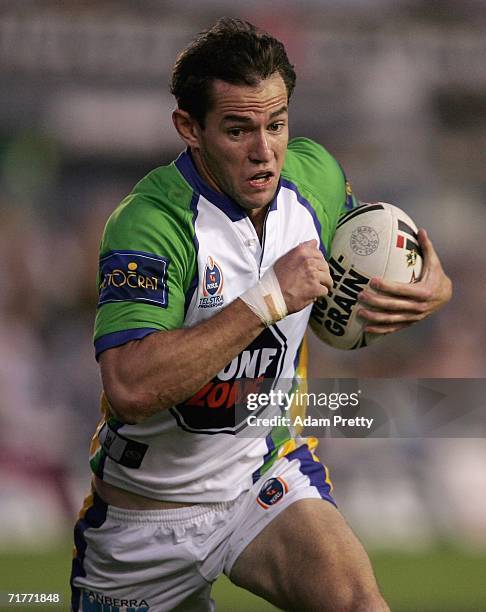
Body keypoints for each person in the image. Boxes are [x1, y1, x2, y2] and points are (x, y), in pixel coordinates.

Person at [71, 18, 452, 612]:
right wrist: (268, 298)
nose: (264, 151)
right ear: (189, 128)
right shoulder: (150, 224)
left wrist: (432, 287)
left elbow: (366, 251)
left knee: (361, 605)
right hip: (144, 524)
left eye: (276, 125)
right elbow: (130, 385)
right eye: (238, 129)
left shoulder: (315, 178)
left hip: (262, 482)